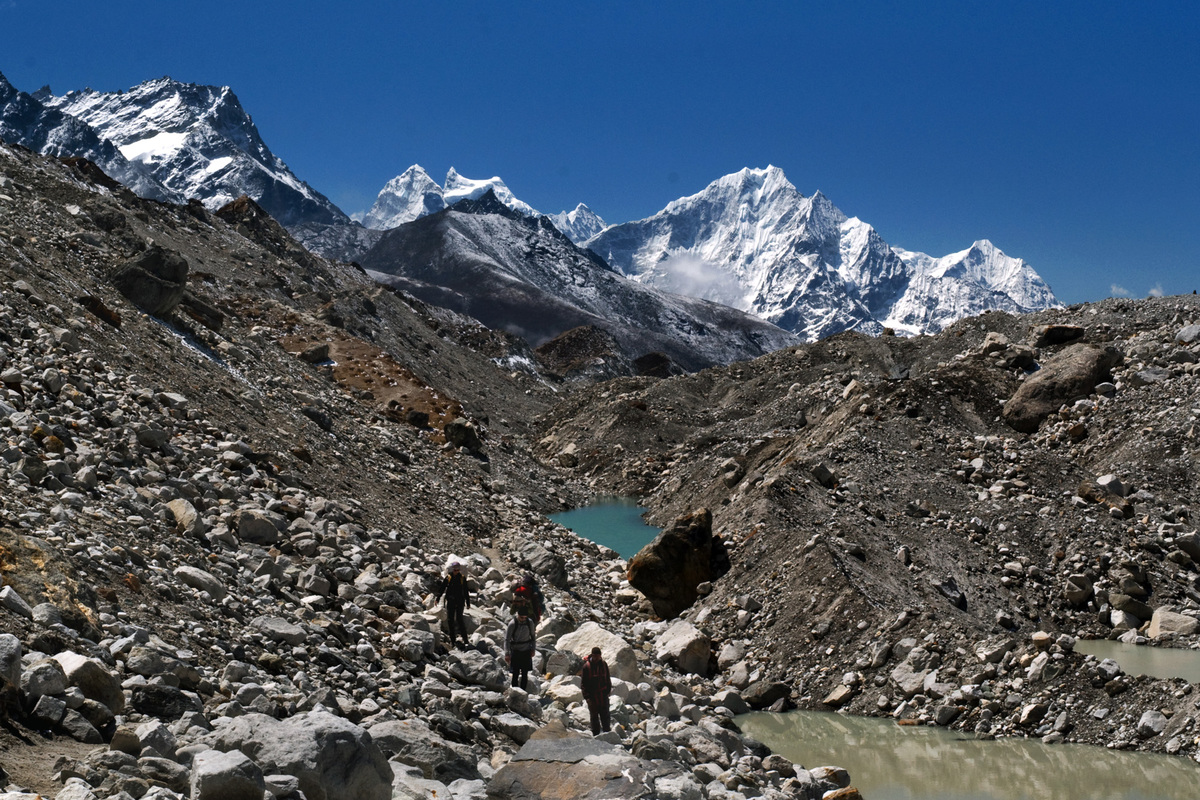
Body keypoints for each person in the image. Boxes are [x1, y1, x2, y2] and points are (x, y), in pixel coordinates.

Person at [436, 561, 471, 648]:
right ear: (452, 569)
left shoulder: (462, 578)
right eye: (455, 569)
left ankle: (465, 640)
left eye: (458, 569)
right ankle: (452, 641)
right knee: (450, 621)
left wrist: (468, 602)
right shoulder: (448, 577)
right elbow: (442, 588)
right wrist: (438, 598)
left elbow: (466, 591)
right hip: (451, 601)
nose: (456, 571)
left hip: (460, 602)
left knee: (460, 620)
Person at [579, 646, 612, 735]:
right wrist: (587, 698)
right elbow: (583, 684)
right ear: (592, 655)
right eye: (595, 656)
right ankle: (596, 735)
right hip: (592, 696)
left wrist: (608, 692)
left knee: (605, 716)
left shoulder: (604, 665)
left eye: (598, 656)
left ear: (600, 656)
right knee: (594, 717)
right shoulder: (586, 667)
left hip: (603, 695)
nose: (596, 658)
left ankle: (607, 734)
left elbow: (608, 679)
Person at [504, 608, 537, 690]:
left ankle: (523, 690)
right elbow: (507, 639)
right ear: (518, 615)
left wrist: (533, 649)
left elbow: (533, 637)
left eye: (525, 618)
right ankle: (515, 690)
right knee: (515, 673)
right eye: (522, 618)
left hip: (526, 651)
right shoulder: (512, 624)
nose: (523, 619)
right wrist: (507, 653)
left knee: (525, 673)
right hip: (516, 651)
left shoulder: (530, 623)